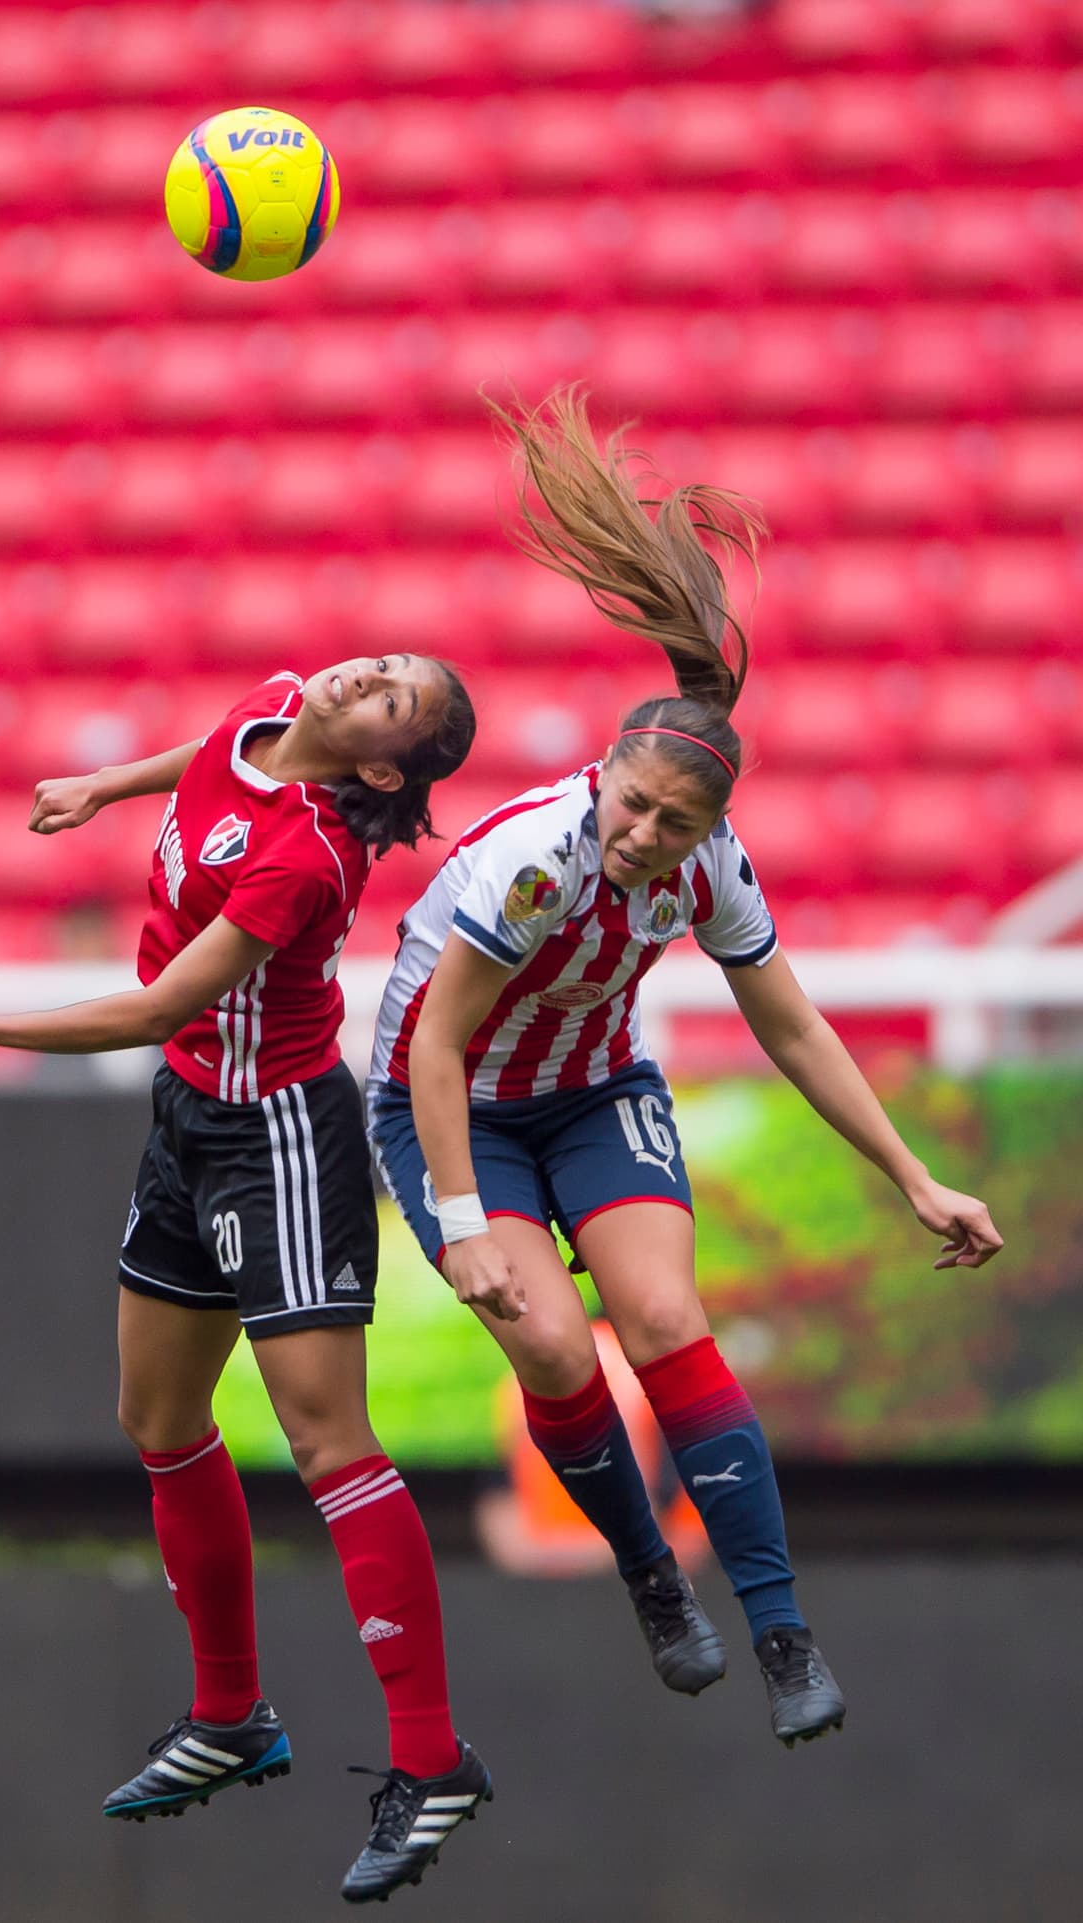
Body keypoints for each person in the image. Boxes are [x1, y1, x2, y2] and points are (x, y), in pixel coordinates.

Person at [366, 393, 1005, 1747]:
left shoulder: (709, 864)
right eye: (634, 803)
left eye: (676, 818)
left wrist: (913, 1173)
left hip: (595, 1092)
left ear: (717, 823)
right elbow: (431, 1041)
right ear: (603, 774)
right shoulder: (534, 860)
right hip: (459, 1108)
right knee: (544, 1336)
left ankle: (781, 1630)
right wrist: (467, 1221)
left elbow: (793, 1025)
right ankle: (652, 1577)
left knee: (663, 1317)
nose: (647, 833)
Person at [0, 654, 494, 1906]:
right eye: (384, 662)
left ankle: (430, 1758)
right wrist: (102, 785)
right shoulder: (275, 710)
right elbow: (208, 755)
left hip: (277, 1138)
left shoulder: (304, 856)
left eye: (392, 696)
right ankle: (231, 1714)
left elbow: (158, 1005)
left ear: (381, 764)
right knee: (156, 1418)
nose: (367, 672)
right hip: (189, 1116)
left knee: (327, 1440)